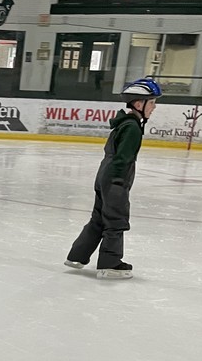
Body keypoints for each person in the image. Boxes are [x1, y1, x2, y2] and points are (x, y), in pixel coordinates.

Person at [65, 77, 161, 280]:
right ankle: (110, 264)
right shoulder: (132, 128)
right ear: (138, 104)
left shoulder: (124, 123)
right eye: (152, 102)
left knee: (98, 219)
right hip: (115, 180)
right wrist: (118, 184)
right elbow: (123, 158)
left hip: (103, 176)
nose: (154, 107)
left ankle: (77, 256)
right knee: (116, 221)